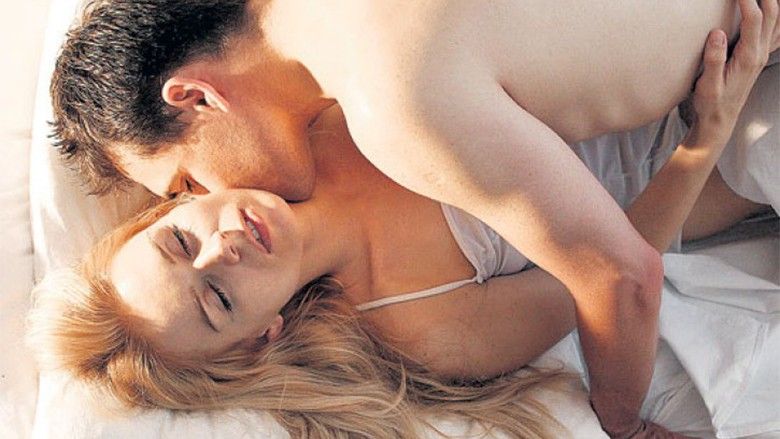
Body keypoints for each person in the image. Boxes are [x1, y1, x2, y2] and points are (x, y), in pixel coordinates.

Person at [34, 25, 777, 438]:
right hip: (709, 148)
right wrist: (706, 135)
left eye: (179, 238)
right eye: (219, 299)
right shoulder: (417, 325)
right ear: (263, 335)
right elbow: (613, 270)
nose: (221, 250)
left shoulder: (299, 122)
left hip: (659, 46)